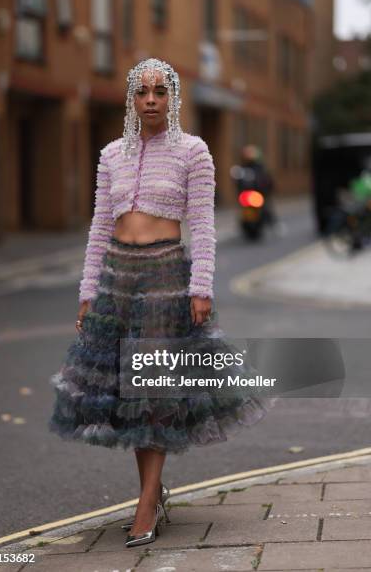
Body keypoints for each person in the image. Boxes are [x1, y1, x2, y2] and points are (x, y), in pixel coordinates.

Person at [48, 58, 275, 548]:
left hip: (165, 277)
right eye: (142, 92)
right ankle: (151, 491)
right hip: (116, 279)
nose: (151, 100)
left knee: (154, 391)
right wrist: (88, 292)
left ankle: (147, 502)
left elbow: (204, 225)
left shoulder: (193, 151)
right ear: (131, 99)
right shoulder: (111, 154)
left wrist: (202, 286)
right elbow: (99, 229)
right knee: (132, 394)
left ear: (173, 99)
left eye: (160, 92)